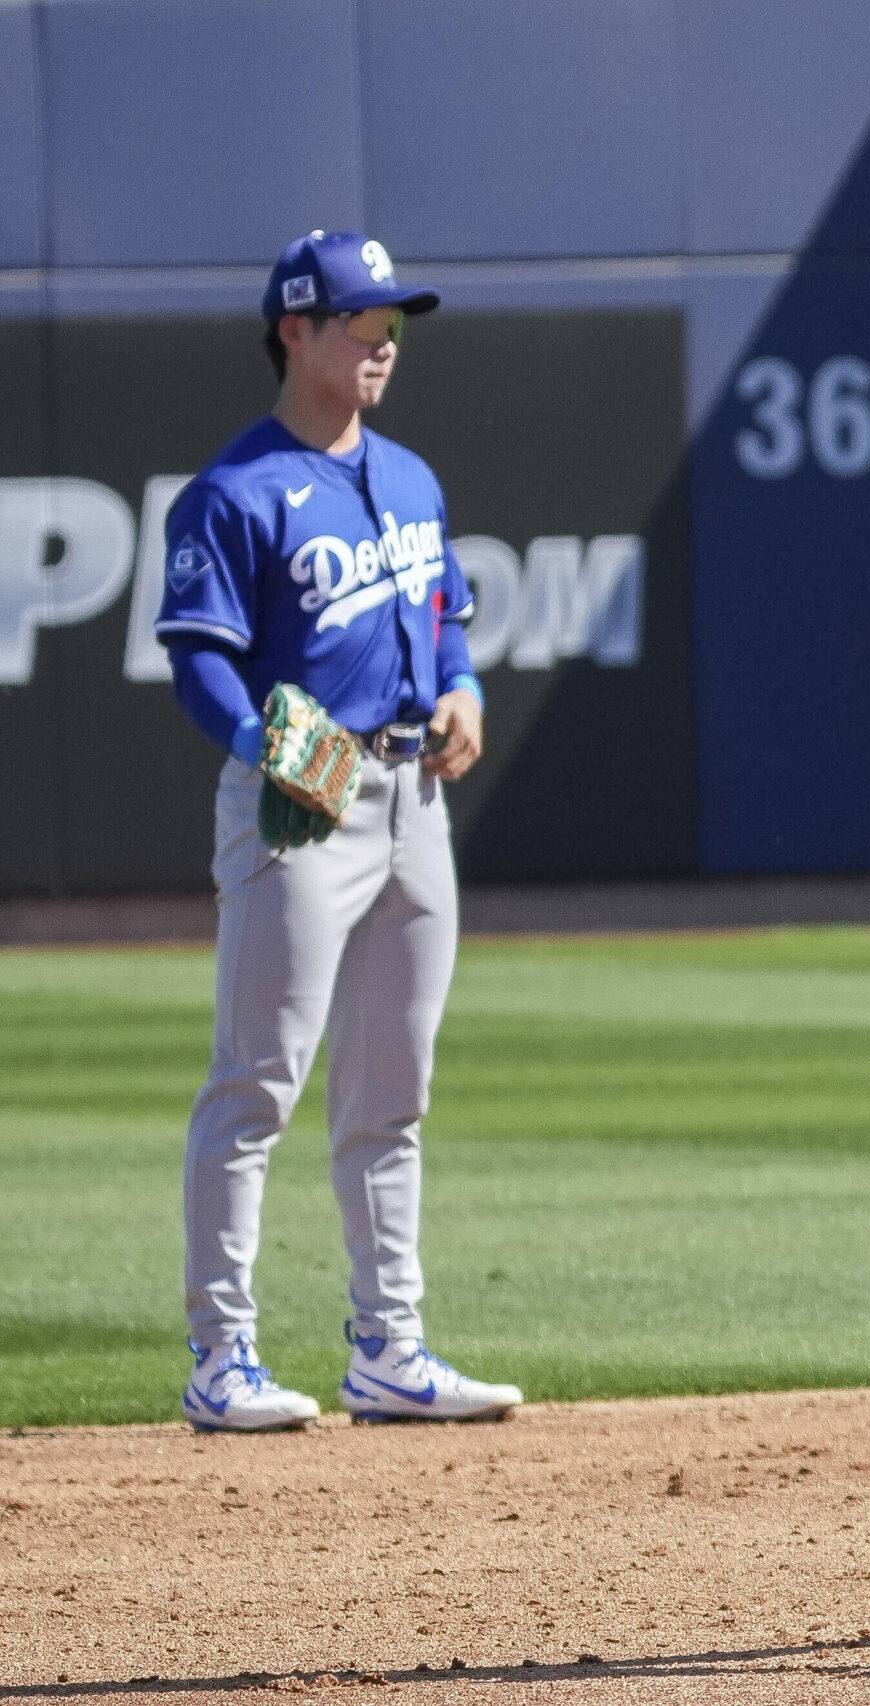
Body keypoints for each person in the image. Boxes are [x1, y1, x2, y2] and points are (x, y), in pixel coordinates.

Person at [159, 230, 521, 1431]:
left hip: (417, 797)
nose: (382, 341)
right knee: (255, 1082)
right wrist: (269, 742)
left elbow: (446, 623)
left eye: (393, 323)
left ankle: (390, 1347)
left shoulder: (410, 478)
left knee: (392, 1095)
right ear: (296, 331)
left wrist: (463, 688)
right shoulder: (235, 491)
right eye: (360, 321)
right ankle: (222, 1354)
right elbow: (198, 658)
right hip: (305, 807)